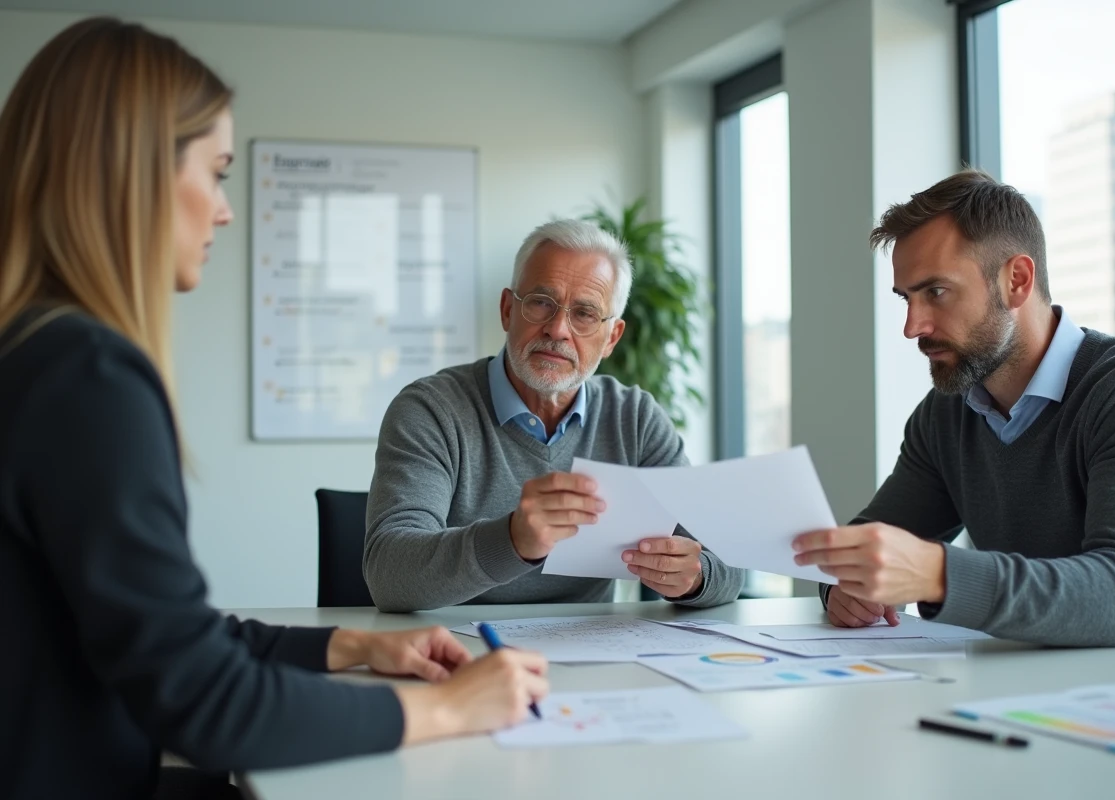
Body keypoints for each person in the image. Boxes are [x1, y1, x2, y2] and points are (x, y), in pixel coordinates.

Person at [0, 18, 548, 800]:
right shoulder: (88, 377)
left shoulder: (31, 351)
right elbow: (204, 701)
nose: (225, 210)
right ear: (137, 173)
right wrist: (447, 710)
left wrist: (356, 646)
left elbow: (160, 636)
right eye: (218, 172)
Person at [791, 169, 1115, 659]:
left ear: (1017, 280)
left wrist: (937, 574)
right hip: (1029, 677)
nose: (911, 327)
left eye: (936, 292)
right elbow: (866, 547)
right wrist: (844, 590)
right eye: (906, 298)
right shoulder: (946, 415)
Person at [365, 219, 744, 612]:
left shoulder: (634, 418)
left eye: (584, 313)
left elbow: (727, 565)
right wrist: (512, 541)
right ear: (508, 310)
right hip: (454, 652)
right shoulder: (431, 410)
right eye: (542, 303)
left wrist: (695, 576)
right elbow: (390, 575)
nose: (558, 329)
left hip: (588, 654)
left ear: (611, 337)